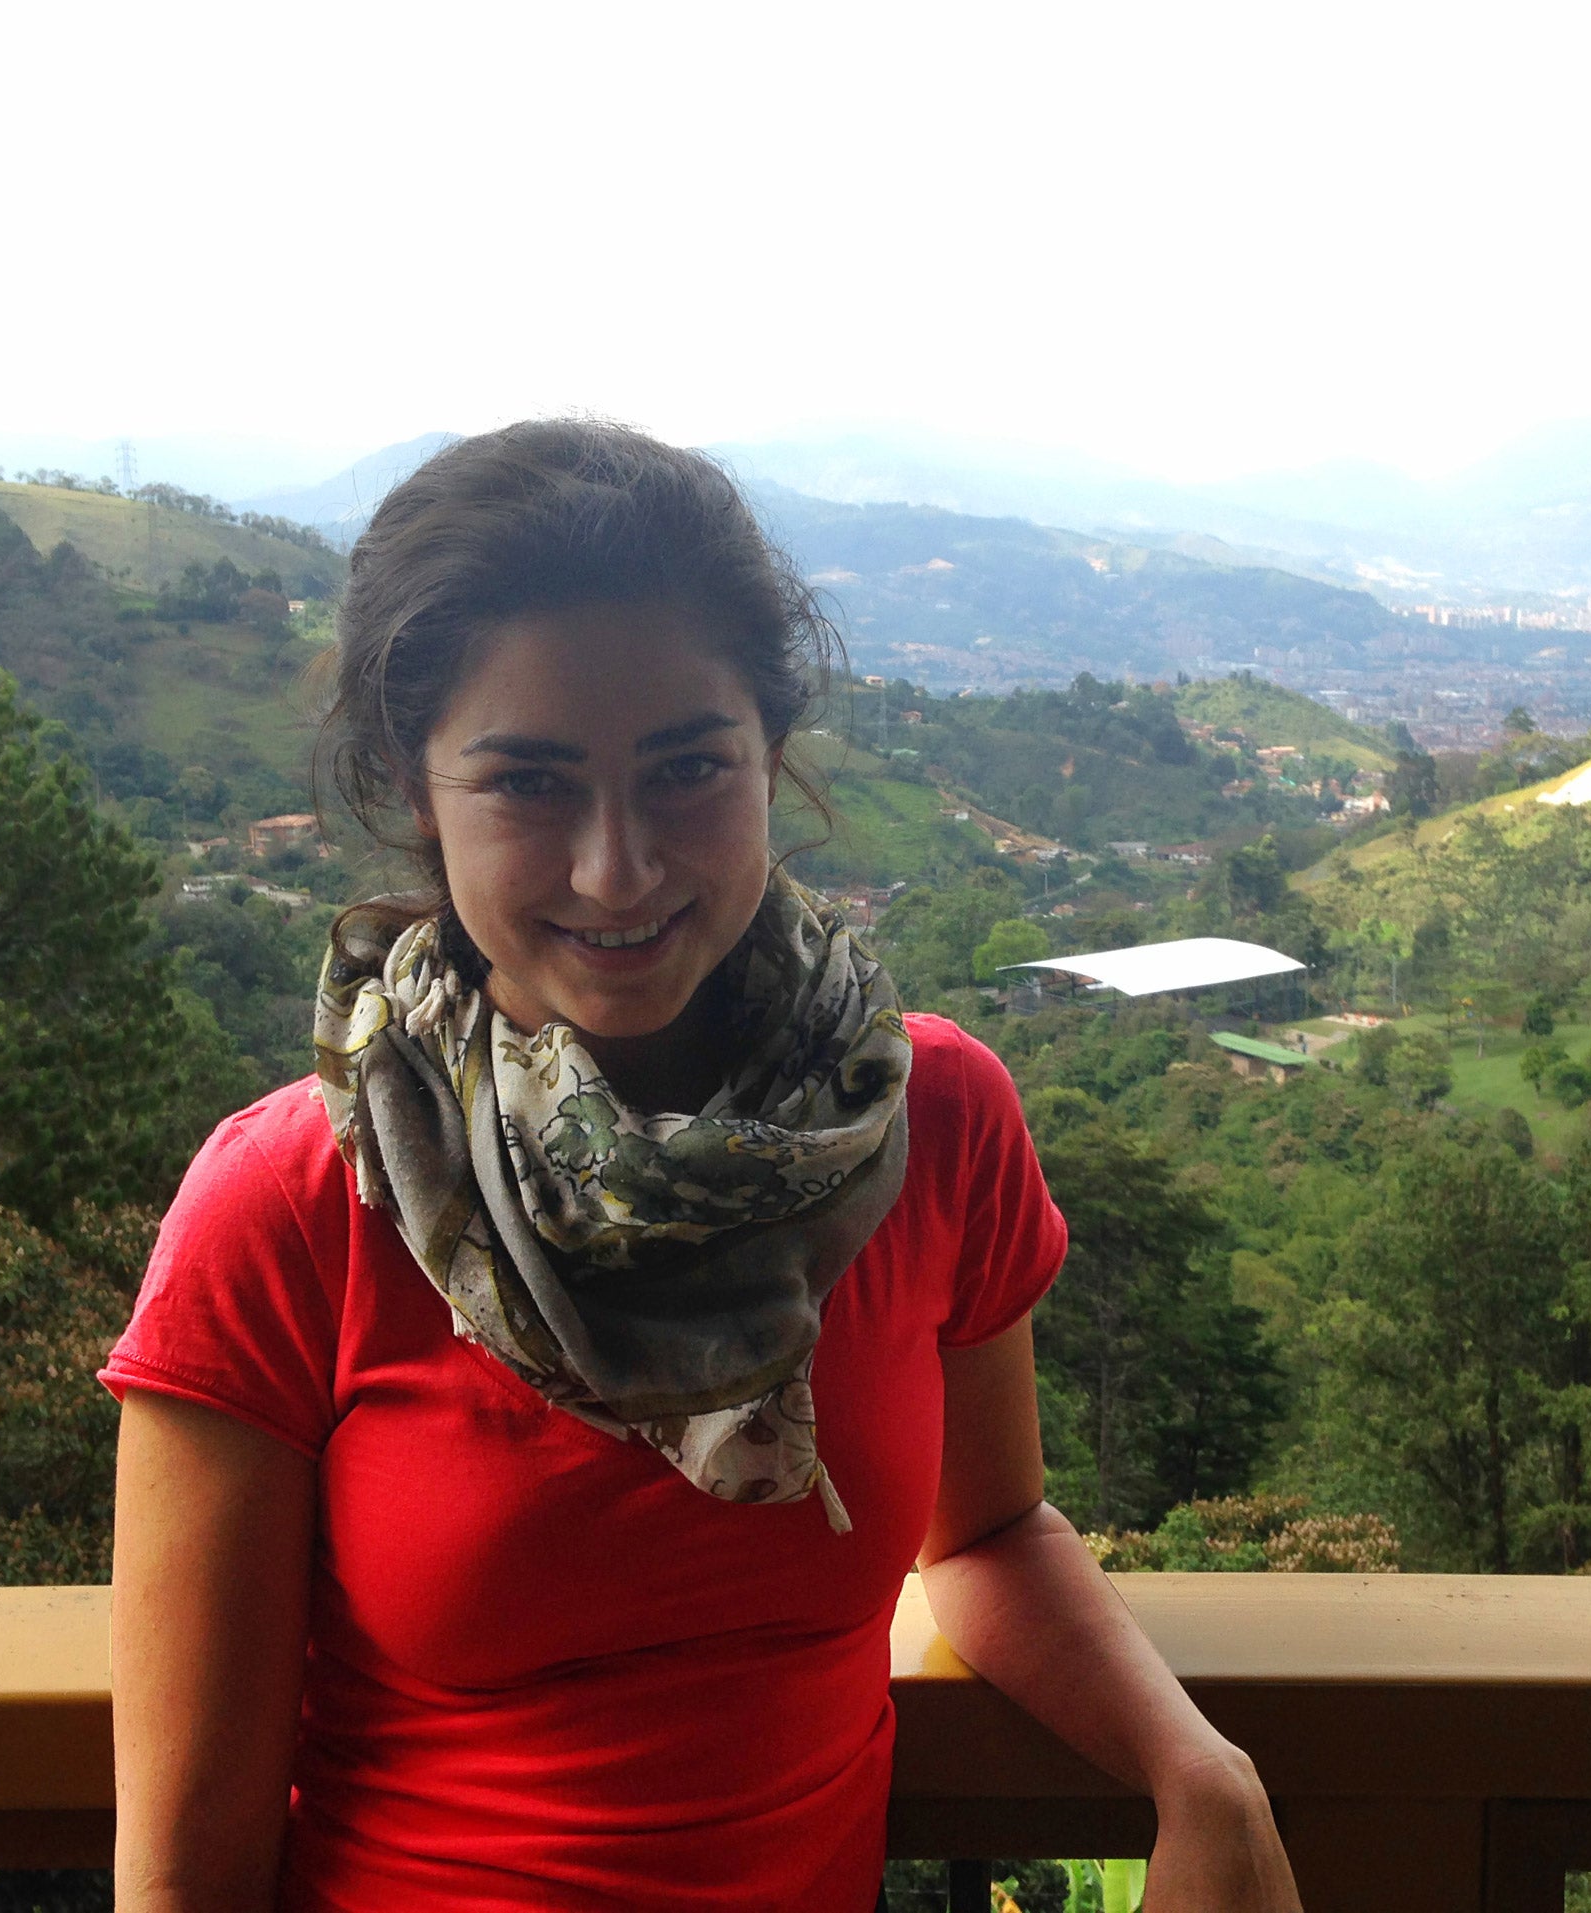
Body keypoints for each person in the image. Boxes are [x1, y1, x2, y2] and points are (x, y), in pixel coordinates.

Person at [103, 421, 1302, 1913]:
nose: (618, 867)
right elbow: (186, 1873)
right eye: (528, 785)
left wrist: (1199, 1771)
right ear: (418, 793)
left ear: (771, 755)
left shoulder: (930, 1121)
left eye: (685, 769)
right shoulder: (291, 1209)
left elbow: (985, 1535)